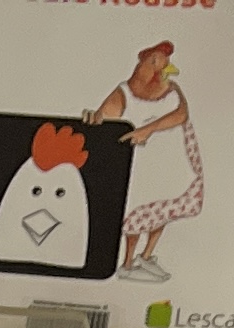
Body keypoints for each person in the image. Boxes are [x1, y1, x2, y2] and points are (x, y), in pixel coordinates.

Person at [95, 41, 203, 284]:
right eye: (155, 62)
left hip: (167, 165)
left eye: (165, 64)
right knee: (137, 215)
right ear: (144, 63)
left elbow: (181, 114)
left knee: (163, 211)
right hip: (141, 169)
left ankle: (146, 255)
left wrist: (149, 128)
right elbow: (106, 120)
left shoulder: (172, 89)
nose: (161, 69)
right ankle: (127, 263)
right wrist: (96, 119)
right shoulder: (124, 93)